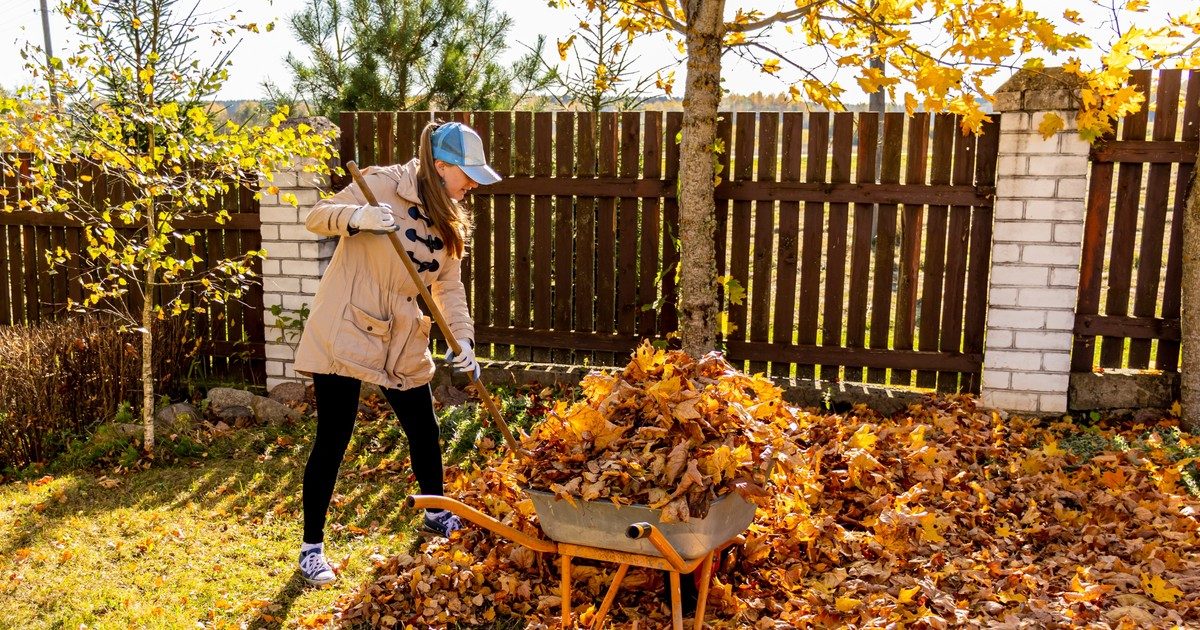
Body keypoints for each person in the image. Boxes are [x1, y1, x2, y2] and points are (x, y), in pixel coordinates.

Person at [290, 120, 502, 586]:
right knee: (334, 436)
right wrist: (358, 218)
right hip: (348, 323)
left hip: (404, 334)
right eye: (467, 174)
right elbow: (316, 216)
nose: (471, 185)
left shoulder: (449, 213)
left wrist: (463, 340)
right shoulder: (381, 183)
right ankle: (311, 549)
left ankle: (435, 514)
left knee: (423, 429)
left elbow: (448, 284)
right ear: (441, 166)